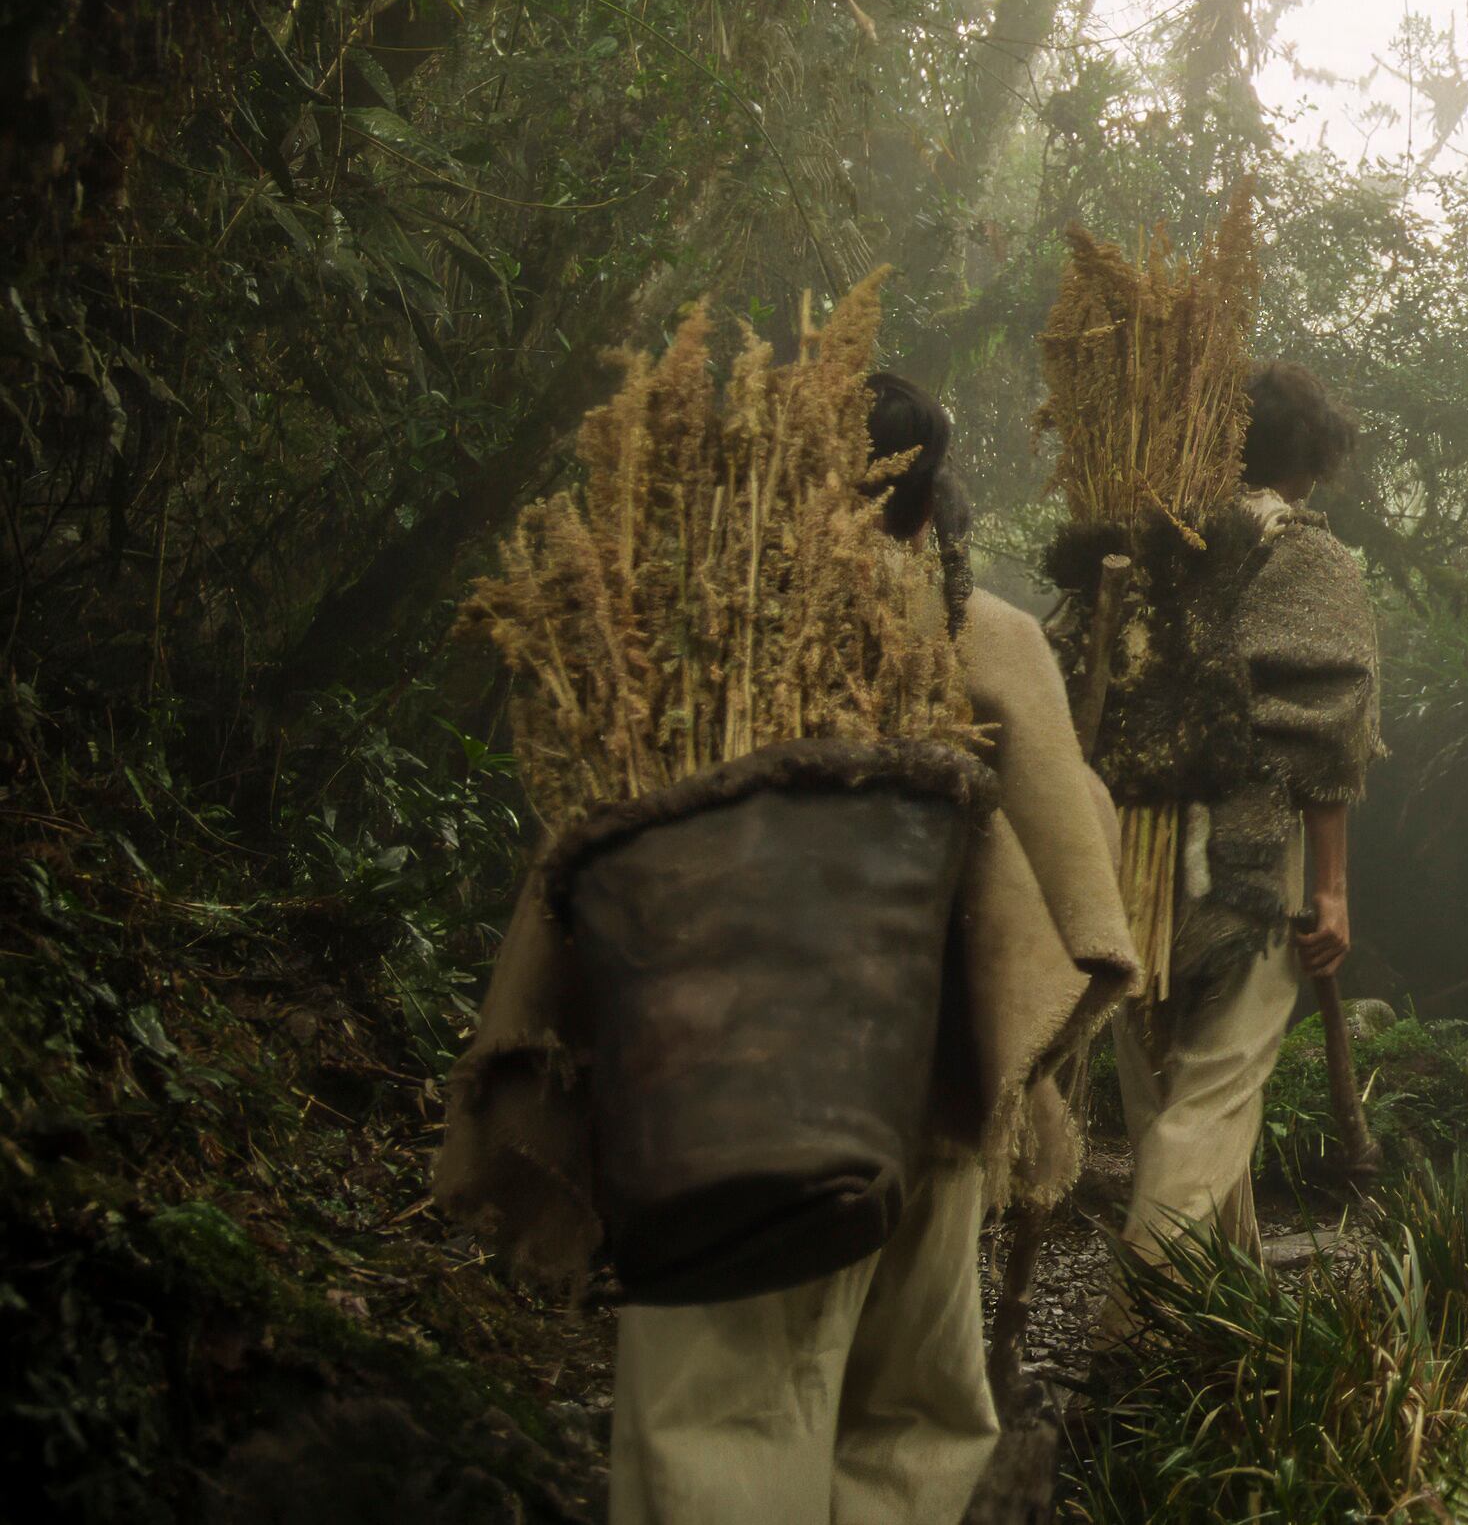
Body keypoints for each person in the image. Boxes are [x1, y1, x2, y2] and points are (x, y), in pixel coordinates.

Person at [435, 373, 1137, 1525]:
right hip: (931, 1104)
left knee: (724, 1408)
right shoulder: (987, 635)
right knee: (914, 1410)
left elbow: (590, 870)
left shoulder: (676, 644)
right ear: (925, 503)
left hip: (718, 1101)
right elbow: (1075, 873)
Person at [1102, 360, 1384, 1326]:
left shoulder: (1152, 544)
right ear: (1308, 461)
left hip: (1131, 860)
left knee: (1171, 1102)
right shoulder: (1306, 558)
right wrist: (1334, 892)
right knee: (1213, 1103)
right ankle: (1133, 1339)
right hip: (1246, 865)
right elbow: (1327, 740)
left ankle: (1230, 1323)